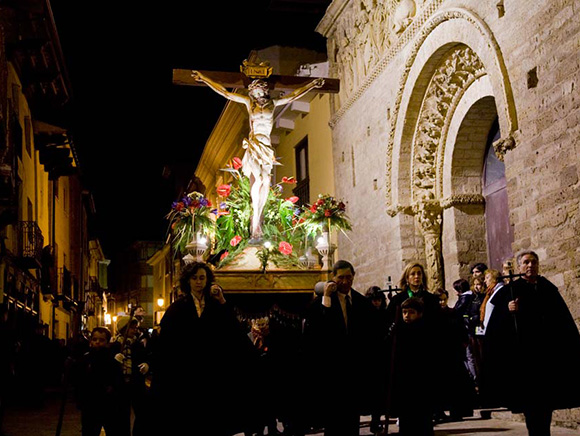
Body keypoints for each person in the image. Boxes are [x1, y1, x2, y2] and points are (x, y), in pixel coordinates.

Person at [191, 70, 324, 240]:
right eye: (255, 91)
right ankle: (255, 220)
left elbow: (293, 96)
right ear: (253, 91)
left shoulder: (273, 104)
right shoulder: (249, 103)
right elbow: (225, 93)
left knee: (267, 181)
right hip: (254, 146)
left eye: (260, 91)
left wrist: (312, 84)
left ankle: (258, 217)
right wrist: (204, 79)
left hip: (266, 146)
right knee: (259, 179)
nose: (258, 94)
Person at [150, 261, 257, 435]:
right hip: (185, 376)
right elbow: (166, 345)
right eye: (194, 278)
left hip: (211, 375)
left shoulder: (215, 306)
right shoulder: (177, 309)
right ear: (188, 281)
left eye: (202, 278)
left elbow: (232, 330)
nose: (198, 282)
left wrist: (222, 301)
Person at [483, 250, 580, 436]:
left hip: (547, 356)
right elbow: (496, 328)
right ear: (519, 266)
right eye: (526, 262)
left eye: (533, 262)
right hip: (525, 359)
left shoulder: (547, 288)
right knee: (531, 404)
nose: (530, 266)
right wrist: (508, 309)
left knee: (546, 403)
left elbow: (562, 320)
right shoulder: (511, 290)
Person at [302, 260, 379, 436]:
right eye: (341, 278)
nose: (345, 282)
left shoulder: (361, 302)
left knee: (352, 419)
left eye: (349, 277)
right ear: (333, 278)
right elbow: (316, 331)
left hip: (354, 370)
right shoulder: (322, 303)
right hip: (331, 370)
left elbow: (370, 335)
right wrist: (327, 299)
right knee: (333, 420)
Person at [388, 297, 437, 436]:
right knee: (406, 418)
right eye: (404, 312)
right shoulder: (400, 330)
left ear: (419, 313)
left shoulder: (425, 330)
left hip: (421, 382)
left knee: (422, 419)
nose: (407, 316)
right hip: (404, 382)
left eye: (411, 312)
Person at [72, 327, 125, 436]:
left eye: (101, 340)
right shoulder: (85, 359)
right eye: (95, 339)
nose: (97, 343)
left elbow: (118, 382)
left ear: (107, 342)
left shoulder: (112, 360)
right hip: (90, 405)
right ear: (91, 340)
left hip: (108, 405)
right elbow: (79, 381)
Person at [432, 289, 475, 421]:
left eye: (444, 299)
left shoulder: (453, 313)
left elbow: (461, 329)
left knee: (455, 384)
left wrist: (463, 343)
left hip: (453, 353)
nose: (442, 302)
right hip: (439, 354)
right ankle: (439, 412)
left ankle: (457, 411)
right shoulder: (433, 316)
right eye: (439, 299)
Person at [111, 316, 151, 436]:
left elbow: (146, 357)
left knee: (142, 413)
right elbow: (109, 366)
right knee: (122, 414)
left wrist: (147, 365)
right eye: (131, 328)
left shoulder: (137, 345)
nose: (134, 330)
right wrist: (114, 361)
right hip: (121, 385)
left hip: (136, 384)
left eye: (135, 327)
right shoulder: (115, 346)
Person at [364, 286, 389, 434]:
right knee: (374, 393)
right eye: (374, 300)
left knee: (381, 393)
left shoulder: (384, 314)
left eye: (379, 300)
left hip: (382, 357)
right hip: (370, 358)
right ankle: (375, 420)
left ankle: (377, 419)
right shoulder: (366, 315)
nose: (377, 303)